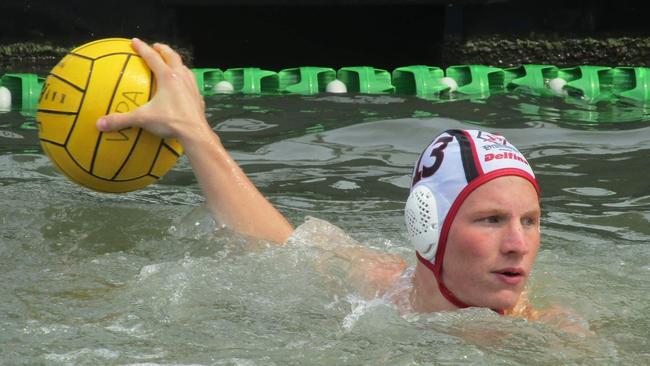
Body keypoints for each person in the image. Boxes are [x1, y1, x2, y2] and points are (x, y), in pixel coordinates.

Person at [96, 38, 546, 319]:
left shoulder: (549, 340)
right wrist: (193, 130)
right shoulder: (383, 283)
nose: (518, 244)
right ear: (430, 226)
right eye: (491, 220)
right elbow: (278, 245)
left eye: (529, 220)